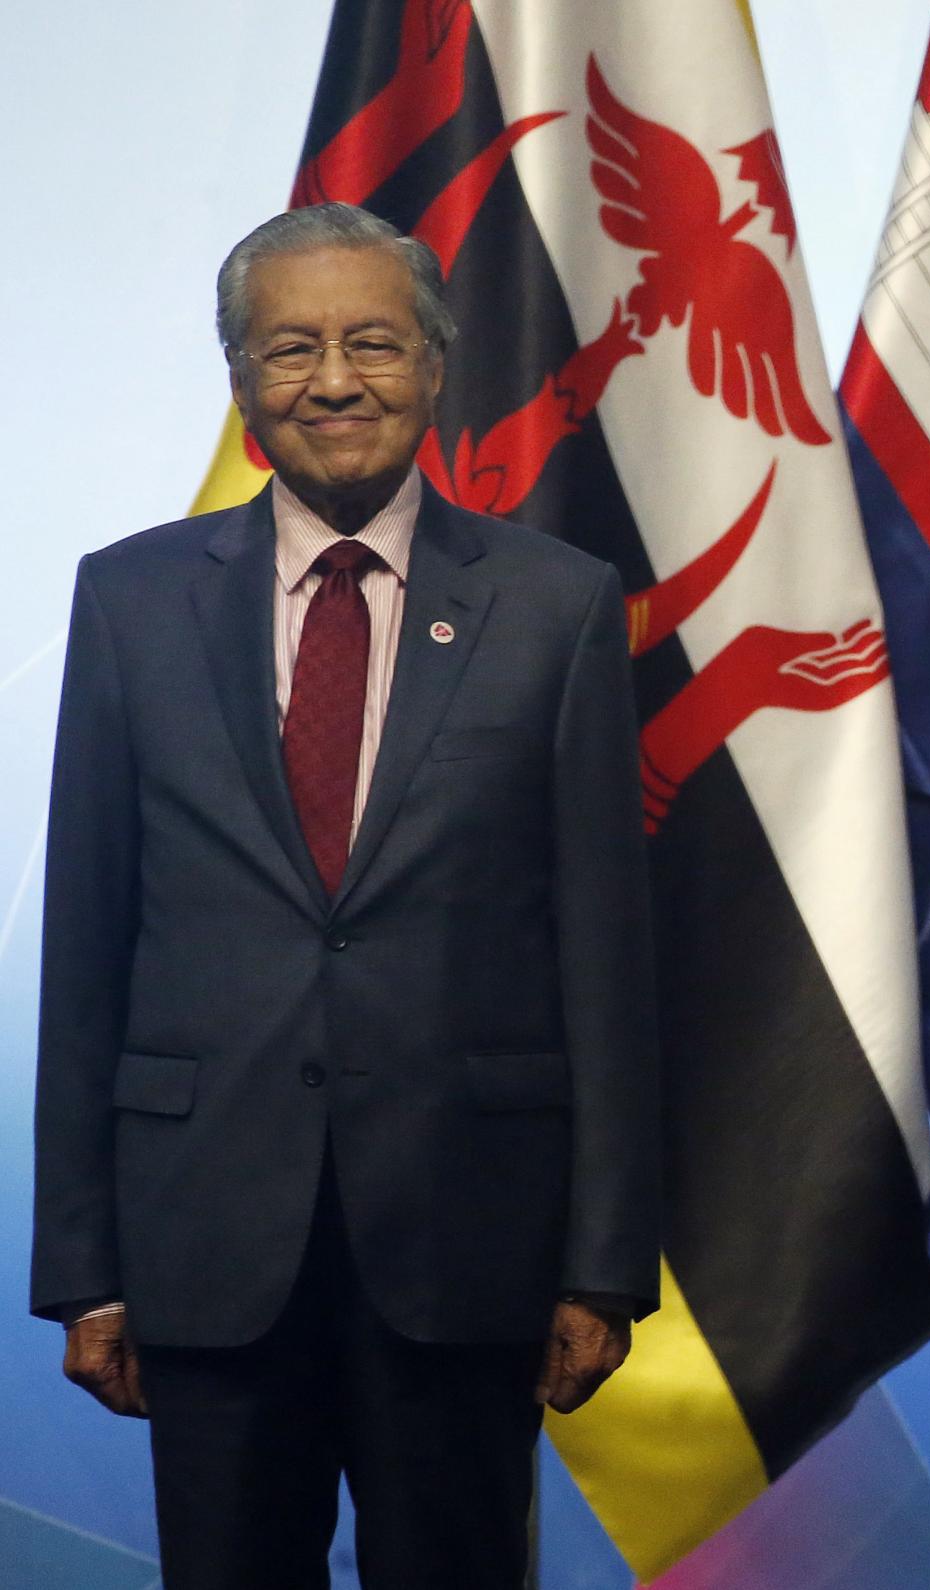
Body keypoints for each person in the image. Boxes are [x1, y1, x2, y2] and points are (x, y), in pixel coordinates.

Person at [30, 202, 660, 1590]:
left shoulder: (556, 605)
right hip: (204, 1242)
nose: (332, 379)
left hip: (468, 1237)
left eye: (372, 342)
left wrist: (602, 1260)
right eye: (289, 348)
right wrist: (83, 1264)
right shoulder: (129, 599)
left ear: (436, 365)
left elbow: (606, 956)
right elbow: (87, 939)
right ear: (243, 383)